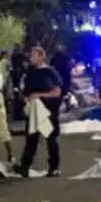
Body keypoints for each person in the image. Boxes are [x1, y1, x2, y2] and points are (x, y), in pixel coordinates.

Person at [15, 46, 63, 178]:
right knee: (31, 138)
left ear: (42, 57)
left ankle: (54, 167)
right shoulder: (30, 73)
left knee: (51, 138)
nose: (31, 59)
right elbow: (25, 90)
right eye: (30, 56)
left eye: (33, 56)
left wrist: (39, 95)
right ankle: (25, 166)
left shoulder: (50, 73)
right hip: (33, 110)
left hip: (48, 111)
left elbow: (57, 92)